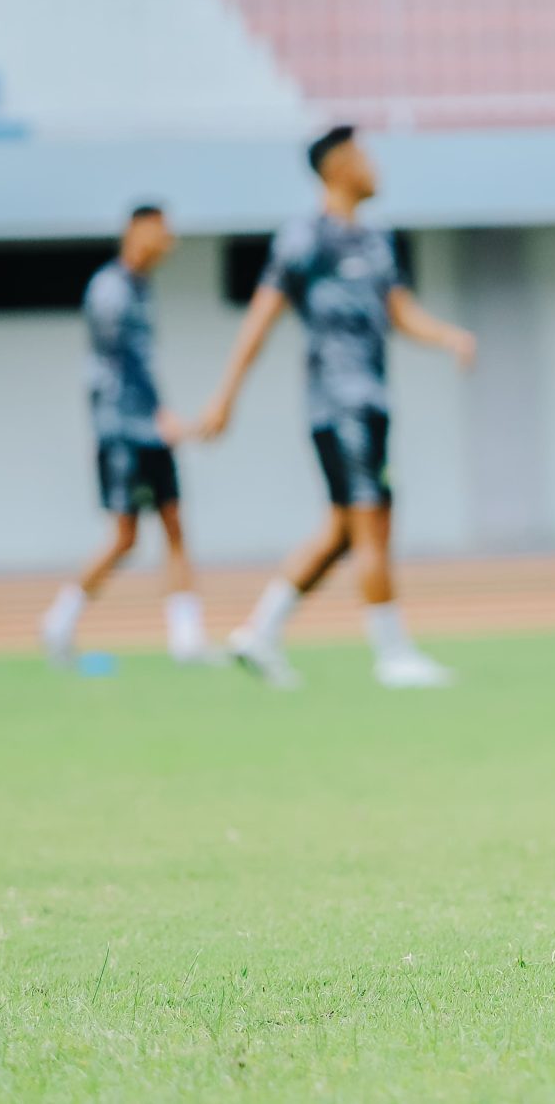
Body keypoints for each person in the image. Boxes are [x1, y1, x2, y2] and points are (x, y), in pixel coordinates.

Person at [197, 127, 475, 689]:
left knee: (345, 530)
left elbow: (401, 312)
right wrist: (224, 398)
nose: (376, 165)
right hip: (337, 400)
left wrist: (448, 336)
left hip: (372, 399)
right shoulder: (306, 238)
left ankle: (260, 631)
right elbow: (261, 317)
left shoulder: (376, 241)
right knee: (373, 520)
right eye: (365, 156)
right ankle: (392, 655)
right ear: (339, 166)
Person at [41, 203, 212, 666]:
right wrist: (161, 414)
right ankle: (59, 620)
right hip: (122, 428)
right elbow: (124, 361)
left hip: (149, 429)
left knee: (175, 524)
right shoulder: (110, 288)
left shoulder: (141, 287)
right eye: (161, 231)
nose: (168, 241)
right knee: (124, 536)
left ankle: (187, 638)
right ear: (136, 231)